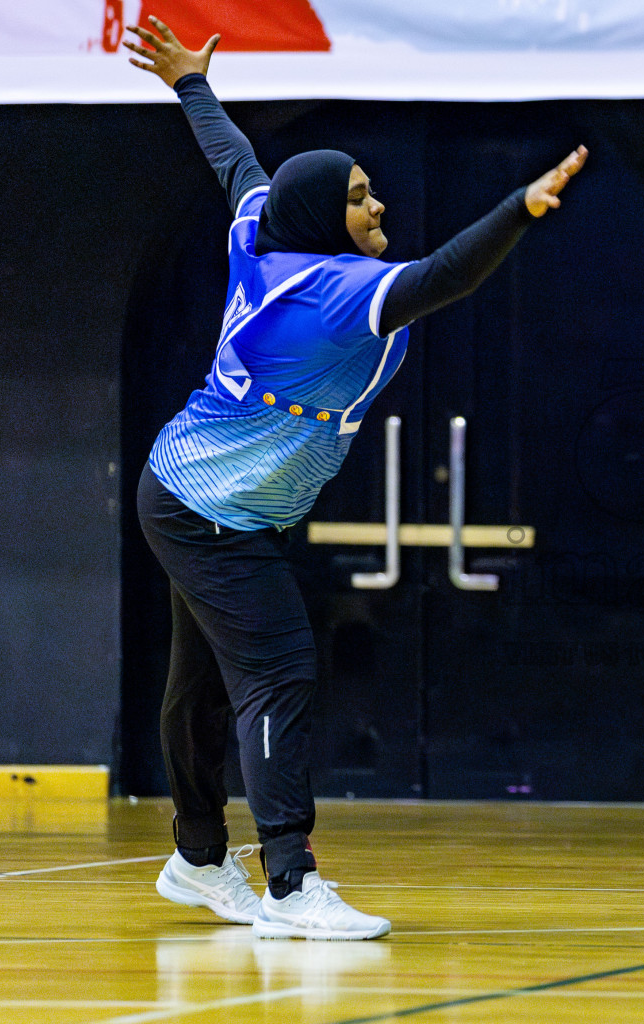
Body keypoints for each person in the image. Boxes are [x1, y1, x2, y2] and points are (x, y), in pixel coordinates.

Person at [123, 17, 587, 940]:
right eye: (362, 199)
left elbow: (235, 162)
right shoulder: (331, 297)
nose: (378, 210)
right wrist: (519, 209)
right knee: (278, 670)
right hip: (208, 509)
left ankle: (199, 859)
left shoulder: (264, 231)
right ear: (326, 215)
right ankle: (289, 885)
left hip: (196, 493)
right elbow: (447, 277)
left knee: (207, 682)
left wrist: (191, 85)